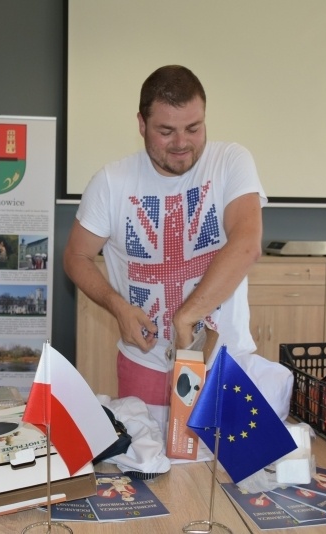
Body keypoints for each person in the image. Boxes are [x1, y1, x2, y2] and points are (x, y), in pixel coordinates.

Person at [63, 65, 271, 430]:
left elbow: (246, 243)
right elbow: (76, 256)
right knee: (148, 474)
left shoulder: (230, 161)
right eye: (166, 131)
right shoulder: (112, 182)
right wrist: (118, 307)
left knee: (223, 477)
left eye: (194, 128)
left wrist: (187, 315)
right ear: (141, 124)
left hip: (223, 358)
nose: (181, 143)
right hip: (145, 361)